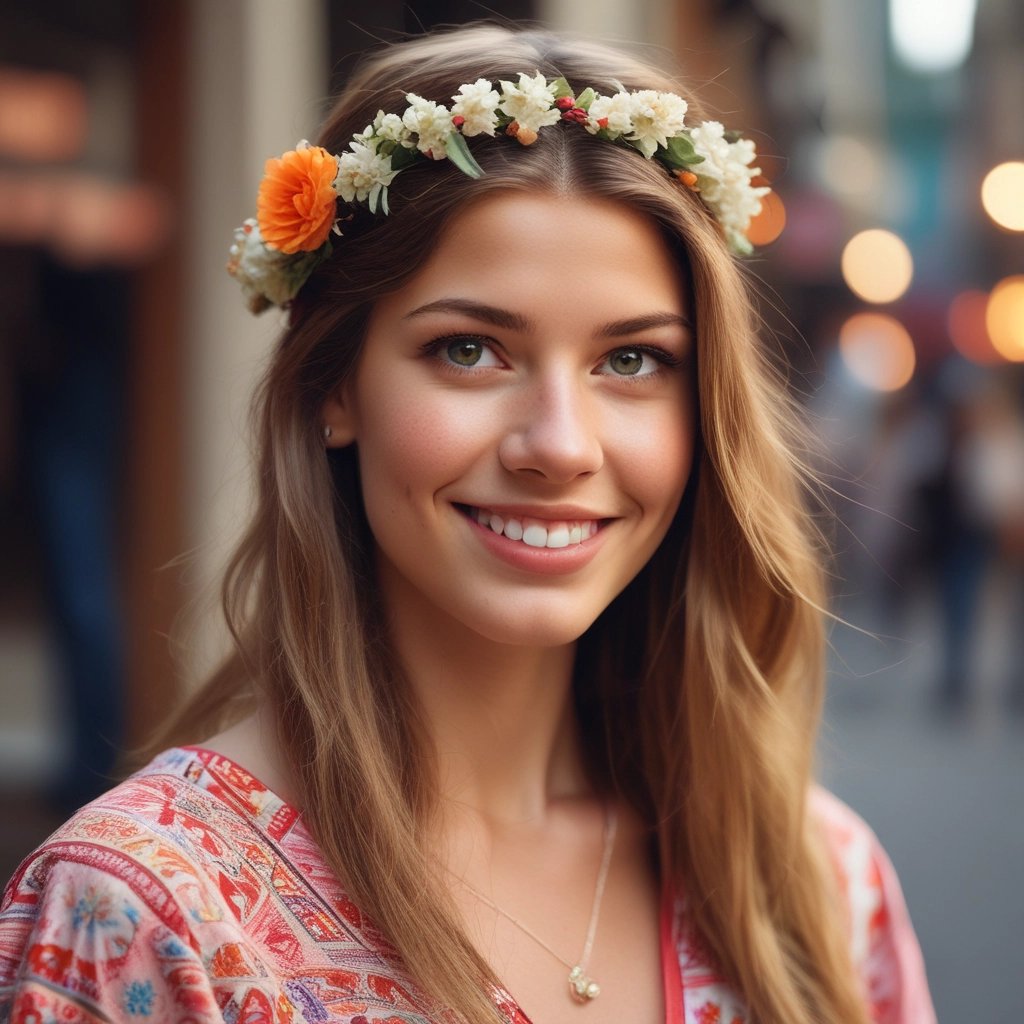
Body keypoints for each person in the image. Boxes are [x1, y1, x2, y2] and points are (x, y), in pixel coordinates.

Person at [0, 24, 935, 1024]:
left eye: (632, 360)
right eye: (469, 350)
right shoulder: (140, 917)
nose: (559, 445)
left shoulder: (815, 886)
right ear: (334, 386)